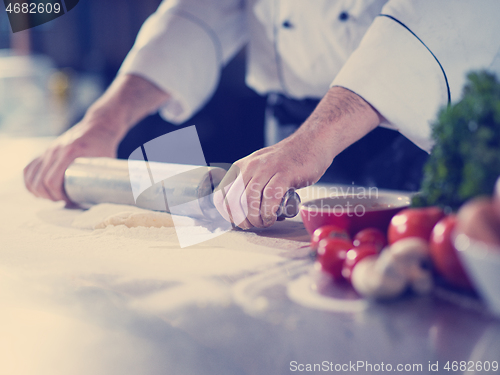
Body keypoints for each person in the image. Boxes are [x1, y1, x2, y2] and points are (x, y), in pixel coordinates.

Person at [24, 0, 500, 230]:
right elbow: (198, 10)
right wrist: (102, 123)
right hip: (290, 151)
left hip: (415, 141)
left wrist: (316, 139)